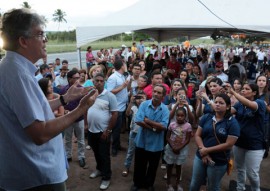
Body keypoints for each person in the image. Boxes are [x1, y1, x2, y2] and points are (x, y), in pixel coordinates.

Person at [0, 8, 98, 190]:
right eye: (40, 34)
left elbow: (32, 111)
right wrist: (80, 109)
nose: (45, 40)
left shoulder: (15, 69)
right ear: (23, 41)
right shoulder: (16, 74)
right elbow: (40, 133)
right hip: (36, 175)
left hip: (34, 171)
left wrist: (64, 99)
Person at [190, 93, 240, 191]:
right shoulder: (207, 117)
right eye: (216, 102)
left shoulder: (232, 123)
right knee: (194, 184)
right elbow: (197, 135)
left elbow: (229, 145)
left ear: (228, 106)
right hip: (201, 156)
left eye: (221, 103)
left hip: (218, 161)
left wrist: (207, 150)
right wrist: (203, 152)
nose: (217, 104)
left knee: (213, 187)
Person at [131, 84, 170, 191]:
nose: (156, 94)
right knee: (139, 164)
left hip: (156, 144)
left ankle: (149, 184)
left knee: (153, 166)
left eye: (159, 93)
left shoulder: (165, 110)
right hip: (141, 141)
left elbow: (163, 126)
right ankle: (137, 184)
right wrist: (153, 128)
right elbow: (138, 120)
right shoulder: (144, 104)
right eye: (155, 92)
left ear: (163, 96)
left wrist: (148, 121)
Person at [228, 82, 266, 191]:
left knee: (252, 173)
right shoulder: (239, 104)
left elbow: (250, 104)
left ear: (254, 92)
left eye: (247, 89)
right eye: (243, 88)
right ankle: (240, 188)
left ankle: (256, 189)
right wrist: (222, 98)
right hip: (240, 142)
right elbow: (228, 112)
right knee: (240, 169)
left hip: (255, 145)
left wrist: (233, 92)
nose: (243, 90)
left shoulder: (260, 103)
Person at [86, 73, 118, 190]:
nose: (99, 82)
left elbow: (115, 114)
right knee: (96, 152)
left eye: (101, 80)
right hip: (91, 130)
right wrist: (85, 124)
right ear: (93, 82)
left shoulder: (110, 96)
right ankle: (99, 169)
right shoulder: (89, 95)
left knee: (104, 154)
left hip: (103, 131)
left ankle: (106, 177)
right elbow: (85, 109)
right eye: (96, 80)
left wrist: (108, 130)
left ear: (104, 82)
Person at [59, 70, 88, 168]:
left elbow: (85, 106)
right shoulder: (63, 90)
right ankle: (68, 155)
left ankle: (81, 157)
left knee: (80, 139)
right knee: (67, 138)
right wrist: (65, 111)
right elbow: (61, 104)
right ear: (69, 78)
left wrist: (85, 122)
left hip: (79, 118)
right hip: (67, 119)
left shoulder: (82, 89)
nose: (77, 80)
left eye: (78, 77)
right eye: (75, 78)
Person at [164, 107, 192, 191]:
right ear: (175, 116)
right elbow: (167, 137)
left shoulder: (188, 126)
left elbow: (187, 139)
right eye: (178, 115)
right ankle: (168, 183)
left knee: (179, 166)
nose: (180, 117)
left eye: (182, 116)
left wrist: (179, 148)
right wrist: (173, 147)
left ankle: (177, 183)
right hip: (171, 148)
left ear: (185, 116)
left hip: (181, 149)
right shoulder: (172, 124)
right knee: (169, 165)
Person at [107, 59, 129, 156]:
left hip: (123, 106)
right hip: (117, 107)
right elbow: (110, 91)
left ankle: (118, 144)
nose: (126, 66)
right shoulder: (113, 77)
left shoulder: (122, 76)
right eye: (125, 65)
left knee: (119, 128)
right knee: (115, 129)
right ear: (121, 66)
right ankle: (114, 148)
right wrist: (123, 86)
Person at [122, 91, 146, 177]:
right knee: (130, 151)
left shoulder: (147, 107)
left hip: (143, 133)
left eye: (142, 98)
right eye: (138, 98)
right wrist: (131, 102)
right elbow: (127, 113)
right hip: (134, 133)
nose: (140, 100)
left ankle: (140, 169)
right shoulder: (134, 108)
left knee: (142, 152)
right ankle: (127, 166)